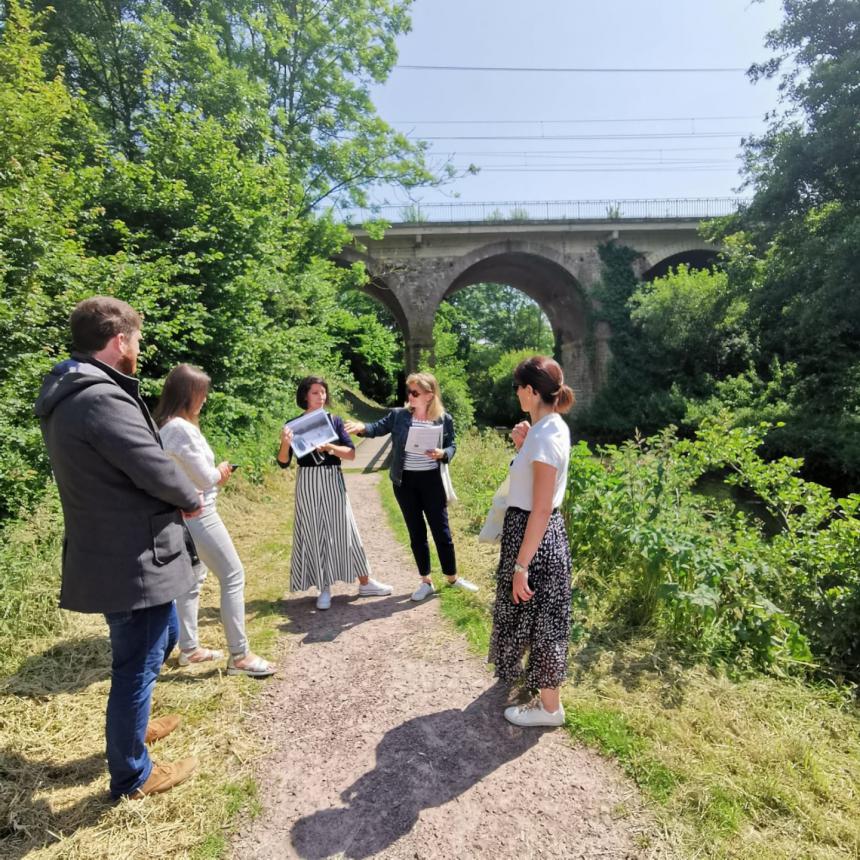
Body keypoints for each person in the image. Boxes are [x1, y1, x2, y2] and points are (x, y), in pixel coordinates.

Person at [34, 296, 201, 800]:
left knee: (162, 636)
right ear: (119, 340)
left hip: (113, 547)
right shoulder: (100, 397)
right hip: (134, 555)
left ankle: (135, 728)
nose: (138, 350)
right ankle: (133, 774)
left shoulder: (71, 390)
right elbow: (149, 462)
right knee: (137, 662)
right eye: (136, 340)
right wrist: (190, 497)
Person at [155, 364, 276, 677]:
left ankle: (189, 649)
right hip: (199, 513)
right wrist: (222, 471)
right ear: (186, 394)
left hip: (185, 514)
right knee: (233, 575)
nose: (205, 399)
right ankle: (240, 656)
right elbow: (206, 478)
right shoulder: (179, 429)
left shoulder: (170, 425)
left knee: (194, 580)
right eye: (201, 393)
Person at [488, 355, 574, 727]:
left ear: (530, 391)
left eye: (518, 388)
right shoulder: (548, 428)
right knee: (531, 615)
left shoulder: (545, 437)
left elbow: (539, 508)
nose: (516, 395)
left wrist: (522, 565)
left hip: (534, 537)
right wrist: (524, 444)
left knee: (544, 622)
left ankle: (550, 709)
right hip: (535, 534)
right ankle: (533, 688)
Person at [345, 372, 478, 601]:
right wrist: (361, 428)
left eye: (415, 392)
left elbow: (452, 445)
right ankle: (426, 581)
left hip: (432, 481)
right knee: (417, 533)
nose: (410, 396)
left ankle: (453, 578)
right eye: (409, 392)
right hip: (405, 482)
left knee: (442, 532)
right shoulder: (399, 416)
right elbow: (376, 428)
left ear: (429, 395)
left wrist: (443, 453)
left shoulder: (444, 419)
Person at [278, 376, 392, 610]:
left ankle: (365, 581)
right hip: (307, 480)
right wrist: (284, 443)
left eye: (323, 392)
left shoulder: (334, 421)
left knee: (345, 527)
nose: (321, 396)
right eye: (315, 393)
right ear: (304, 396)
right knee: (314, 529)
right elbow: (282, 462)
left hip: (332, 477)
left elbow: (350, 454)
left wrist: (329, 447)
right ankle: (324, 587)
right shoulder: (293, 425)